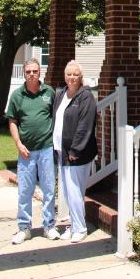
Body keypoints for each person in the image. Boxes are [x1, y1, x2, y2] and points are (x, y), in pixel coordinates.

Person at [6, 58, 59, 245]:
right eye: (28, 71)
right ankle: (24, 228)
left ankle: (49, 226)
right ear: (24, 73)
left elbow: (56, 117)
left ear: (40, 72)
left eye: (34, 71)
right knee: (24, 191)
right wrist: (18, 144)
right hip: (26, 151)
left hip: (46, 149)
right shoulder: (17, 96)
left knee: (49, 189)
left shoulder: (49, 93)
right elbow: (12, 121)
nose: (31, 74)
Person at [53, 60, 97, 243]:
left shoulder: (85, 97)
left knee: (75, 191)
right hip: (60, 150)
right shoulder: (61, 94)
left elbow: (85, 126)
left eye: (75, 75)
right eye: (69, 74)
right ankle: (72, 225)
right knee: (67, 192)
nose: (72, 78)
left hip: (76, 154)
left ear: (81, 77)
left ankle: (80, 228)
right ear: (65, 76)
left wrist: (75, 149)